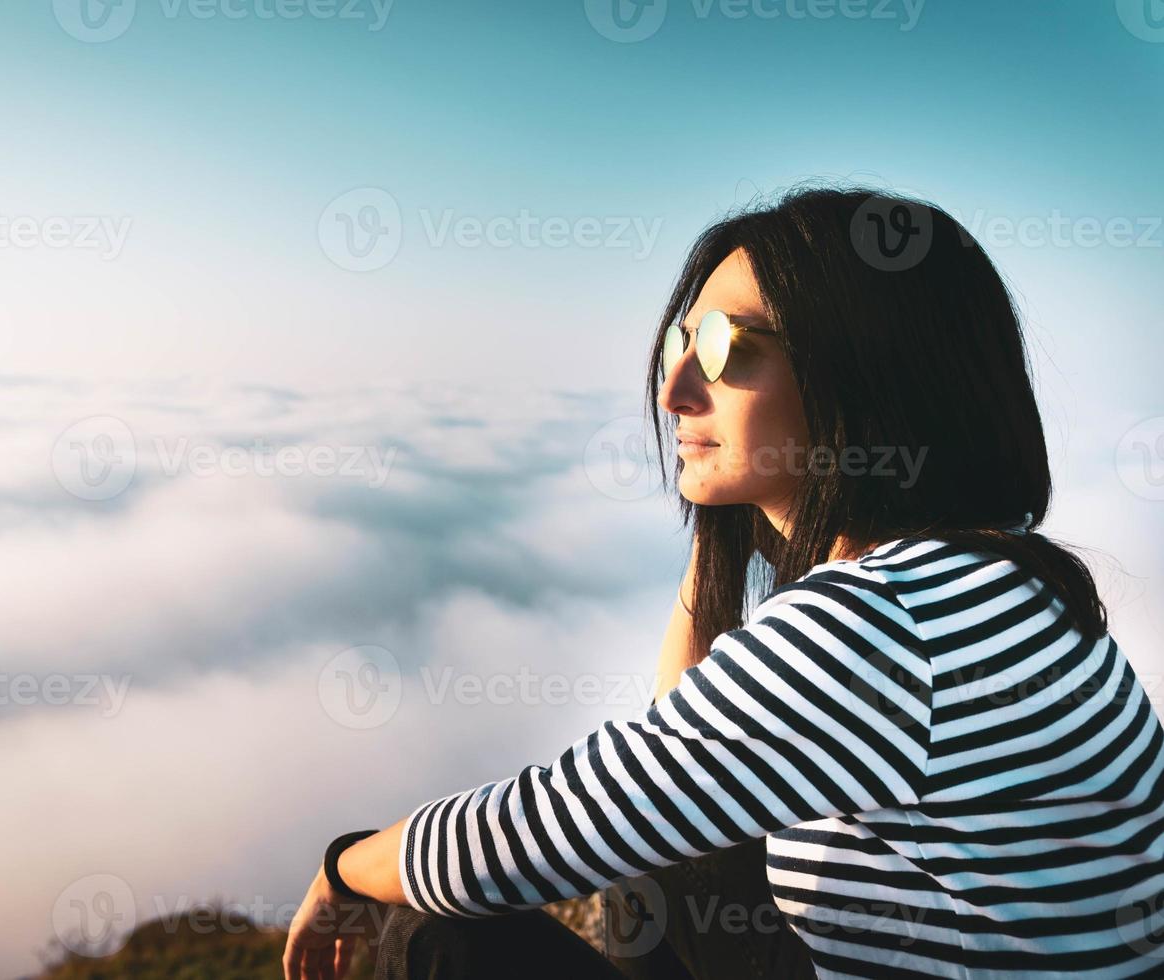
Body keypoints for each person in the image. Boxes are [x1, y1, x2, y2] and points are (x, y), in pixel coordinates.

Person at [283, 184, 1164, 979]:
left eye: (720, 346)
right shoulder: (998, 574)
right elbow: (678, 753)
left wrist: (343, 866)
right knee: (667, 851)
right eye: (679, 339)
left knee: (439, 934)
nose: (672, 390)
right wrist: (720, 527)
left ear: (861, 372)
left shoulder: (880, 622)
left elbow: (522, 841)